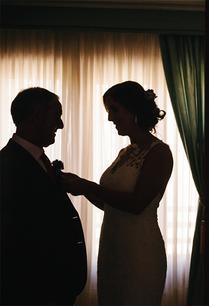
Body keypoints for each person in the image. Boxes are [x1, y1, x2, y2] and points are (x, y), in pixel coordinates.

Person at [62, 81, 173, 306]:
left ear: (133, 110)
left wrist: (88, 186)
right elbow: (109, 204)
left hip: (139, 251)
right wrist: (81, 188)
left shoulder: (159, 153)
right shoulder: (125, 152)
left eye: (114, 110)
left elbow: (137, 204)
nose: (110, 118)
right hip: (113, 247)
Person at [0, 87, 87, 305]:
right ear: (36, 116)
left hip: (52, 286)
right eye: (56, 115)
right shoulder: (7, 164)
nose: (61, 124)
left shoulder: (37, 159)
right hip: (33, 290)